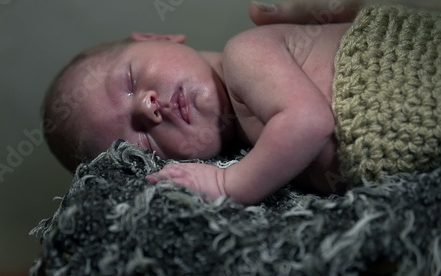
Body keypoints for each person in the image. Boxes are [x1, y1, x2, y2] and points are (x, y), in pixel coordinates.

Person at [42, 1, 440, 205]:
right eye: (140, 141)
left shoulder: (245, 55)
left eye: (129, 81)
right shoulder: (257, 149)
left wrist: (227, 184)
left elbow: (308, 121)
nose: (148, 107)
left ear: (156, 38)